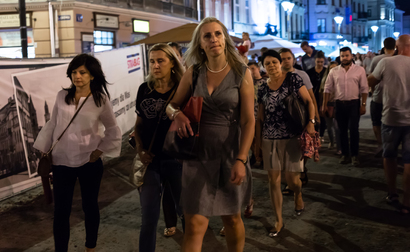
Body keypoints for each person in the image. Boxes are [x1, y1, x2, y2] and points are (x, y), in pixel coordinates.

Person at [166, 17, 254, 252]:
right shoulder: (194, 72)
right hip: (197, 156)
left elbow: (248, 121)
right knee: (194, 223)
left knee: (231, 218)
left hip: (230, 154)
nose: (213, 39)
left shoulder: (242, 73)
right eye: (207, 36)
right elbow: (171, 105)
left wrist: (241, 159)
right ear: (200, 44)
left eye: (217, 34)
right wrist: (177, 115)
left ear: (225, 38)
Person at [33, 54, 122, 252]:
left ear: (92, 75)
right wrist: (44, 150)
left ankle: (91, 245)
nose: (77, 76)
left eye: (82, 72)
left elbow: (113, 130)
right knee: (60, 211)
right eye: (74, 72)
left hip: (88, 161)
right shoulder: (61, 96)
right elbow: (53, 124)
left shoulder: (100, 100)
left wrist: (99, 151)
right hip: (62, 160)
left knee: (89, 206)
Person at [368, 35, 410, 214]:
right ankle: (407, 203)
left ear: (397, 47)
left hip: (391, 118)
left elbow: (370, 82)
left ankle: (392, 193)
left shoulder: (386, 63)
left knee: (389, 157)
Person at [255, 50, 316, 237]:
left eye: (274, 62)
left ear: (280, 63)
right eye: (268, 63)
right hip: (269, 138)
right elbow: (260, 117)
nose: (272, 65)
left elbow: (309, 102)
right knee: (273, 181)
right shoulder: (262, 87)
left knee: (292, 180)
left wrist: (311, 123)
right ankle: (278, 220)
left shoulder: (293, 79)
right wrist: (257, 144)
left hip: (292, 137)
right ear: (263, 66)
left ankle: (298, 194)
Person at [134, 44, 185, 251]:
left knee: (187, 214)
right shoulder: (144, 89)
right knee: (149, 218)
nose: (155, 65)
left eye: (160, 60)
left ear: (172, 62)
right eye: (152, 61)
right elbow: (137, 126)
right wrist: (139, 150)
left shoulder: (183, 89)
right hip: (150, 161)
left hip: (178, 160)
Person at [323, 47, 369, 166]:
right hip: (339, 104)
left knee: (354, 130)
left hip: (354, 103)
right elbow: (327, 88)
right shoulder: (334, 71)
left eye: (347, 55)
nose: (344, 58)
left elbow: (364, 88)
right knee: (341, 130)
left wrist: (363, 104)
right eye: (342, 56)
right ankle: (345, 154)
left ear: (352, 56)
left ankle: (354, 155)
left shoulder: (359, 70)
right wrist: (325, 105)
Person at [368, 37, 396, 157]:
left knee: (376, 122)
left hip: (378, 96)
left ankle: (381, 144)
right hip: (393, 97)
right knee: (392, 124)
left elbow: (371, 78)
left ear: (384, 47)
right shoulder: (397, 59)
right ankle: (391, 145)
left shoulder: (376, 59)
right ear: (395, 47)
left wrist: (373, 91)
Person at [279, 48, 320, 124]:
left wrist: (316, 115)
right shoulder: (277, 77)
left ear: (293, 59)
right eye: (283, 59)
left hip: (301, 114)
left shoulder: (302, 75)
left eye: (289, 58)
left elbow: (311, 96)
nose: (286, 61)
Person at [248, 61, 267, 167]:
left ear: (258, 69)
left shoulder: (265, 82)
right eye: (249, 69)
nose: (251, 71)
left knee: (260, 137)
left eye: (253, 69)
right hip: (250, 114)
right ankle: (255, 155)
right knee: (251, 138)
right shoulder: (247, 82)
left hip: (260, 114)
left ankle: (261, 156)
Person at [319, 61, 341, 153]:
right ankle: (332, 142)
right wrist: (322, 105)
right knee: (329, 127)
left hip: (337, 104)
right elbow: (321, 93)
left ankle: (339, 147)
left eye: (335, 68)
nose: (333, 70)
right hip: (328, 104)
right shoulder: (325, 79)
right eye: (331, 68)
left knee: (337, 127)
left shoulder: (341, 78)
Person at [306, 51, 327, 139]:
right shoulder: (309, 72)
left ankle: (321, 135)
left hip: (323, 97)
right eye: (318, 62)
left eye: (321, 62)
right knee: (313, 116)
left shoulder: (326, 71)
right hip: (312, 96)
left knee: (323, 117)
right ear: (314, 61)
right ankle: (314, 134)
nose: (320, 64)